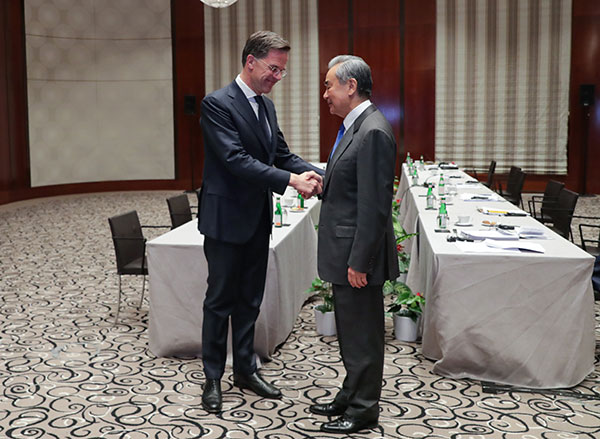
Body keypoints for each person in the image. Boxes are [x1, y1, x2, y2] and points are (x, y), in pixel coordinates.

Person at [198, 30, 324, 414]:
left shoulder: (266, 107)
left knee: (250, 300)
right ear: (250, 62)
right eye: (273, 68)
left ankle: (245, 370)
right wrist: (292, 181)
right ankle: (212, 378)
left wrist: (325, 175)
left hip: (257, 219)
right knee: (220, 301)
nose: (277, 77)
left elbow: (281, 155)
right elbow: (235, 160)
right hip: (225, 221)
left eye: (282, 71)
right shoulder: (217, 104)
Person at [310, 55, 399, 434]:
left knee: (362, 336)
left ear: (350, 86)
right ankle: (351, 394)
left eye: (329, 85)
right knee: (350, 331)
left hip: (358, 258)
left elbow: (375, 206)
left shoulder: (372, 131)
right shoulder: (355, 127)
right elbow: (350, 184)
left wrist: (360, 261)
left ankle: (363, 410)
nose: (325, 94)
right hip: (346, 252)